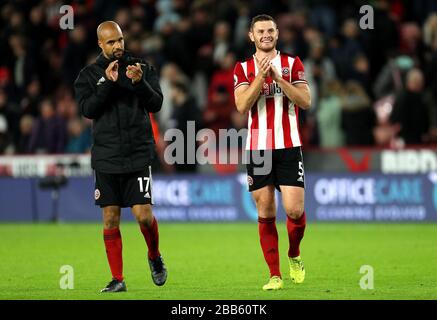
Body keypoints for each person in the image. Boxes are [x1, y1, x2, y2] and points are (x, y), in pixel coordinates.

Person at [74, 21, 167, 293]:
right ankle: (118, 279)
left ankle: (154, 256)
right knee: (110, 220)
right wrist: (106, 83)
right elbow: (88, 109)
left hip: (137, 154)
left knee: (144, 216)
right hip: (106, 157)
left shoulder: (141, 68)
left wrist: (139, 83)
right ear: (100, 45)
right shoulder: (89, 75)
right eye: (111, 42)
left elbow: (156, 103)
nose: (118, 46)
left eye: (120, 40)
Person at [233, 15, 311, 291]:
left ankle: (294, 254)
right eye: (260, 31)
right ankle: (275, 274)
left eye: (270, 30)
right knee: (265, 210)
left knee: (294, 209)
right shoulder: (242, 68)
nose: (265, 35)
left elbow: (305, 100)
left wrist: (278, 78)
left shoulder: (293, 64)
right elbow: (242, 106)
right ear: (251, 36)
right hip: (258, 148)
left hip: (289, 146)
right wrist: (261, 78)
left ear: (277, 33)